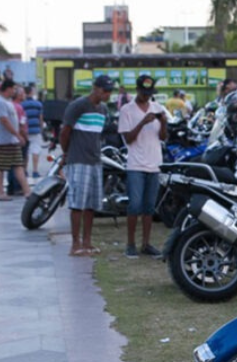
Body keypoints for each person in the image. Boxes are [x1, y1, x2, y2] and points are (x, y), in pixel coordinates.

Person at [59, 75, 113, 255]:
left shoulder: (103, 109)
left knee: (91, 205)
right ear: (95, 88)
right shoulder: (78, 106)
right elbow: (65, 132)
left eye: (109, 91)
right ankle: (75, 244)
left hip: (95, 160)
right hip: (79, 160)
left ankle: (87, 242)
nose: (107, 94)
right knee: (77, 204)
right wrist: (67, 153)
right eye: (105, 90)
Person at [118, 75, 167, 259]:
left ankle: (146, 244)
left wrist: (163, 123)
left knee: (149, 207)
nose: (147, 96)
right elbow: (128, 139)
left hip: (155, 164)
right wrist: (143, 122)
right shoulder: (127, 110)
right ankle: (130, 244)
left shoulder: (157, 108)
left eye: (149, 93)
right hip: (136, 165)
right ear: (137, 90)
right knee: (134, 205)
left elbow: (163, 137)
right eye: (144, 93)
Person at [0, 80, 30, 200]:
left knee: (18, 164)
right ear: (8, 88)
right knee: (3, 167)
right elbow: (4, 120)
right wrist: (17, 135)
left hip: (11, 140)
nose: (15, 91)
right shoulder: (1, 102)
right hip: (4, 140)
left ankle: (27, 191)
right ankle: (1, 192)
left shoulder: (8, 102)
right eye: (14, 89)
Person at [6, 86, 29, 195]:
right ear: (19, 95)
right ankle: (19, 187)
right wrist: (24, 137)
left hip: (10, 138)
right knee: (19, 163)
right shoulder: (19, 108)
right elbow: (21, 124)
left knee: (10, 164)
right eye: (23, 93)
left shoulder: (9, 105)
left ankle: (11, 187)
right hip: (19, 138)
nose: (24, 95)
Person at [22, 85, 44, 178]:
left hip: (25, 131)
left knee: (26, 151)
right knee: (35, 150)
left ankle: (25, 171)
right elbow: (40, 118)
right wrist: (41, 129)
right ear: (31, 92)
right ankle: (35, 171)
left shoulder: (22, 104)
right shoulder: (38, 104)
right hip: (36, 130)